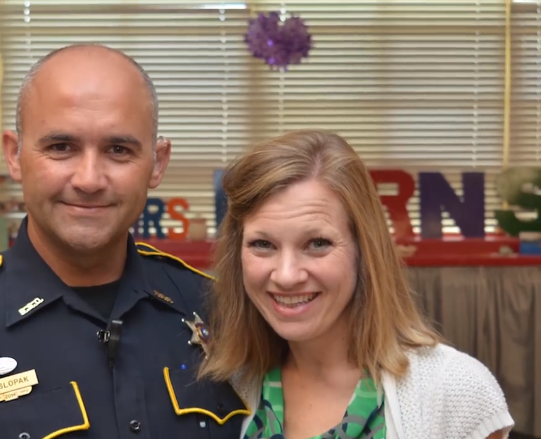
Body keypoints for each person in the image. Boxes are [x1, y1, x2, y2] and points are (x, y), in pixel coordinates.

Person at [0, 44, 249, 439]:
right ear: (14, 155)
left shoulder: (221, 314)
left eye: (118, 150)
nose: (89, 179)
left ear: (157, 163)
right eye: (61, 147)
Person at [197, 130, 514, 439]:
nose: (286, 275)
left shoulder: (454, 390)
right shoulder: (224, 387)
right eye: (263, 244)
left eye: (317, 243)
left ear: (364, 249)